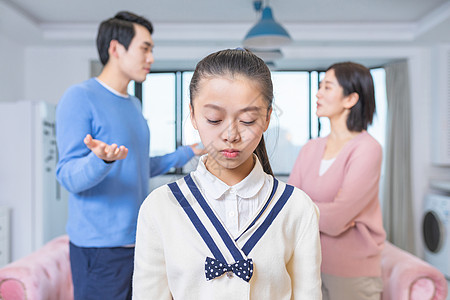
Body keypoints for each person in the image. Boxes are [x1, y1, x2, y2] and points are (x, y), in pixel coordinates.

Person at [132, 48, 322, 299]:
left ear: (267, 119)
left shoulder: (297, 207)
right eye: (213, 119)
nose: (231, 135)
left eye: (247, 120)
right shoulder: (159, 207)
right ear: (193, 115)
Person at [55, 11, 202, 300]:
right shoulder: (80, 97)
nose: (151, 58)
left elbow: (136, 167)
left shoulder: (133, 105)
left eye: (151, 50)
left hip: (139, 243)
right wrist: (101, 160)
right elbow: (68, 176)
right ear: (115, 49)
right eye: (144, 48)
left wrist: (188, 152)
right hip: (100, 250)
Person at [288, 62, 386, 300]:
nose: (318, 93)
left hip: (352, 273)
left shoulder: (368, 149)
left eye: (327, 87)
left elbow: (337, 219)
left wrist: (303, 209)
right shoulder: (311, 148)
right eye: (320, 86)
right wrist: (315, 210)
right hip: (306, 266)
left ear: (350, 99)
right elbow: (287, 204)